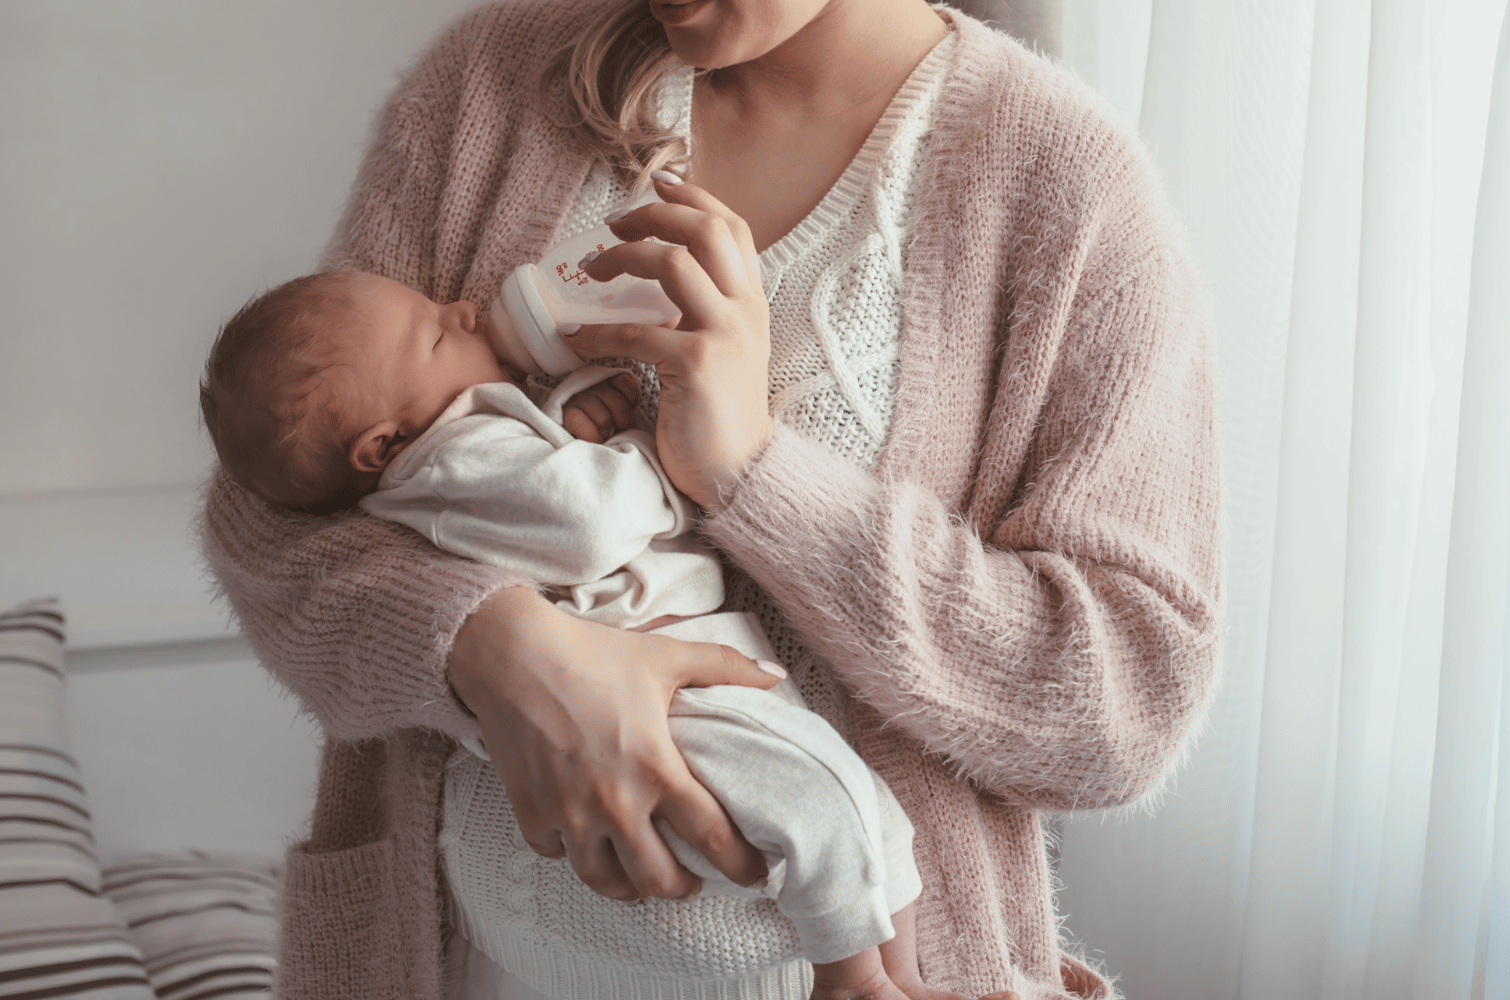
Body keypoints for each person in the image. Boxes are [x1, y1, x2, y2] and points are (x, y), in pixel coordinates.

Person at [199, 1, 1222, 998]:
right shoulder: (489, 88)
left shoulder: (1062, 182)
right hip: (470, 966)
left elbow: (1123, 705)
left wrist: (753, 474)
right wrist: (490, 645)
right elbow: (277, 502)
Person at [197, 267, 948, 1000]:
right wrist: (658, 452)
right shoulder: (452, 456)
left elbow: (534, 496)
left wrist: (573, 428)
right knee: (818, 809)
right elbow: (593, 522)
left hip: (680, 673)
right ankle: (852, 982)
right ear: (384, 444)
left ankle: (900, 978)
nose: (460, 309)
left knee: (865, 810)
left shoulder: (455, 454)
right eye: (433, 336)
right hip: (658, 702)